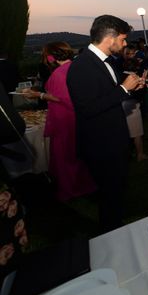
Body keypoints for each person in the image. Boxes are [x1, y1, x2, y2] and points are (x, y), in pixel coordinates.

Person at [67, 15, 145, 232]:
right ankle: (111, 238)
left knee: (116, 193)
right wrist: (123, 90)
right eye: (122, 39)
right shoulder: (81, 67)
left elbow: (108, 94)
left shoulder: (108, 61)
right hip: (100, 145)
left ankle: (117, 229)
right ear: (110, 38)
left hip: (115, 140)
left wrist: (131, 87)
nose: (125, 43)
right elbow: (88, 108)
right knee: (109, 197)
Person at [23, 43, 96, 201]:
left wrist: (39, 96)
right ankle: (86, 185)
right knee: (80, 155)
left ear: (50, 57)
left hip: (65, 119)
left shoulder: (60, 73)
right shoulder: (78, 67)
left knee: (66, 156)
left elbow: (60, 98)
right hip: (80, 117)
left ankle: (71, 189)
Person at [121, 45, 148, 161]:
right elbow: (138, 93)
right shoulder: (133, 77)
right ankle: (140, 155)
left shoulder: (120, 74)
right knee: (137, 131)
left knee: (127, 131)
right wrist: (143, 82)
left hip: (122, 104)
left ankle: (129, 153)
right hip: (131, 105)